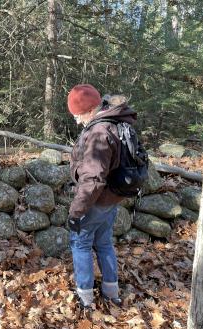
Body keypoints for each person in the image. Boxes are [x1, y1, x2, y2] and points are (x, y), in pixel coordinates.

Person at [66, 84, 137, 309]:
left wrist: (76, 212)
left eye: (78, 115)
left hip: (97, 199)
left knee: (80, 243)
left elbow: (93, 179)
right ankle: (111, 292)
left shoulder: (99, 132)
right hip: (112, 196)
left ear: (89, 110)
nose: (77, 121)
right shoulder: (116, 120)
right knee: (104, 243)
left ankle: (85, 298)